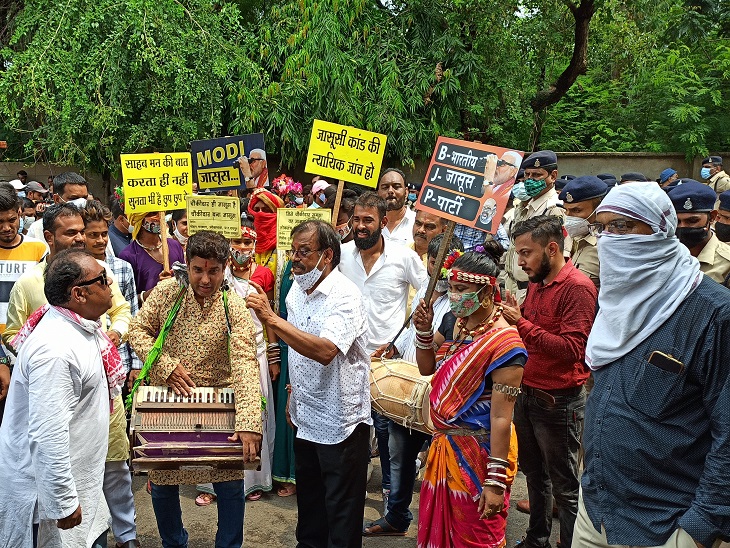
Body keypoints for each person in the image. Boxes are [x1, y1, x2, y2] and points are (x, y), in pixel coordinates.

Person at [575, 181, 730, 548]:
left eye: (624, 227)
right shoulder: (615, 300)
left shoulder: (714, 313)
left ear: (660, 229)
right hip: (595, 510)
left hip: (664, 524)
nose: (610, 239)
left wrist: (698, 529)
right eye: (604, 228)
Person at [128, 230, 262, 548]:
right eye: (198, 269)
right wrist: (165, 366)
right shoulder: (166, 292)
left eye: (213, 270)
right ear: (187, 265)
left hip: (219, 405)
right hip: (168, 403)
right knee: (162, 482)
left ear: (225, 267)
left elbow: (245, 363)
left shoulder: (235, 305)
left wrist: (248, 423)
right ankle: (174, 543)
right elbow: (136, 328)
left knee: (229, 483)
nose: (205, 279)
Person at [246, 219, 372, 548]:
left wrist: (271, 319)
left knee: (341, 517)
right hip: (305, 416)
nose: (295, 259)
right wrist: (293, 394)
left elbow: (326, 350)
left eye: (304, 251)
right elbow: (297, 349)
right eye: (293, 251)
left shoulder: (345, 296)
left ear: (327, 255)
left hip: (341, 423)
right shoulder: (297, 292)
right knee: (311, 508)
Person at [0, 248, 121, 547]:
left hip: (82, 483)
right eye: (102, 279)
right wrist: (63, 501)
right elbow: (47, 433)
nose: (110, 284)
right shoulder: (55, 350)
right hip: (53, 498)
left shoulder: (79, 328)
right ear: (79, 294)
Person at [411, 250, 526, 548]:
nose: (454, 296)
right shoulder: (458, 323)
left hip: (478, 457)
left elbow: (502, 418)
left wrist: (495, 482)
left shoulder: (506, 345)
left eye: (462, 289)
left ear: (487, 291)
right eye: (451, 288)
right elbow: (427, 368)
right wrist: (423, 331)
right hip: (445, 448)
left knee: (476, 538)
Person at [501, 215, 597, 548]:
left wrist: (521, 324)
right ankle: (537, 539)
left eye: (526, 253)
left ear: (552, 248)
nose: (521, 262)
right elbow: (537, 335)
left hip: (559, 402)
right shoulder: (537, 281)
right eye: (518, 253)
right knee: (534, 476)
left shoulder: (579, 288)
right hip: (527, 395)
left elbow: (573, 350)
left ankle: (569, 543)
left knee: (565, 486)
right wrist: (520, 318)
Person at [364, 233, 464, 537]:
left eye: (449, 265)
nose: (442, 272)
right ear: (428, 263)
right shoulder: (422, 296)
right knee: (398, 459)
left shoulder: (459, 304)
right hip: (408, 391)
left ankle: (442, 528)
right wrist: (393, 349)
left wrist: (430, 333)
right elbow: (410, 338)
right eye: (436, 263)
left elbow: (446, 348)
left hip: (441, 398)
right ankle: (397, 516)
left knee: (441, 467)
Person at [339, 192, 426, 509]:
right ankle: (353, 491)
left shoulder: (404, 257)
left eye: (367, 220)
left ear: (383, 222)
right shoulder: (342, 254)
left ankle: (393, 501)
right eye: (357, 220)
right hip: (347, 361)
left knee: (392, 437)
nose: (360, 226)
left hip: (388, 365)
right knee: (353, 432)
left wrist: (402, 337)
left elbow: (427, 291)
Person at [195, 223, 278, 506]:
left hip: (254, 353)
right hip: (218, 356)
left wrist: (273, 354)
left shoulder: (263, 275)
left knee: (255, 417)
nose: (242, 248)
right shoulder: (219, 276)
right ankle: (209, 484)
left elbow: (270, 317)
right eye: (237, 242)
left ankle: (252, 480)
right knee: (214, 418)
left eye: (247, 241)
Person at [0, 183, 47, 425]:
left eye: (11, 219)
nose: (6, 228)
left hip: (27, 350)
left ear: (20, 212)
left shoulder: (38, 249)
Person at [504, 151, 566, 303]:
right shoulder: (525, 206)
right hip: (512, 284)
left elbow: (556, 257)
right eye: (527, 175)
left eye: (537, 175)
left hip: (533, 288)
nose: (530, 180)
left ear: (553, 176)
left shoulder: (553, 209)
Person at [667, 179, 730, 287]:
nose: (682, 227)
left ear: (712, 217)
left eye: (692, 221)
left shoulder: (727, 264)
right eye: (677, 221)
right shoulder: (664, 254)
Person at [119, 210, 185, 305]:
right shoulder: (128, 256)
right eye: (153, 214)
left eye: (161, 213)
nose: (159, 217)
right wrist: (154, 292)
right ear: (139, 220)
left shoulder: (175, 246)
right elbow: (126, 300)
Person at [559, 175, 608, 287]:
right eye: (566, 210)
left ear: (598, 210)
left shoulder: (604, 245)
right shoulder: (572, 238)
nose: (569, 217)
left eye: (576, 210)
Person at [26, 171, 89, 241]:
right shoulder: (37, 229)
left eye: (84, 198)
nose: (81, 202)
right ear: (57, 199)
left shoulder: (94, 225)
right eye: (74, 198)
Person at [247, 188, 285, 281]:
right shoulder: (247, 239)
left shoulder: (285, 239)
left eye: (265, 210)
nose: (260, 214)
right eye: (256, 209)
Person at [378, 168, 416, 246]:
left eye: (396, 187)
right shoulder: (371, 223)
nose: (390, 191)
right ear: (378, 193)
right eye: (385, 187)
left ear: (406, 192)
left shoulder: (417, 223)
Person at [108, 188, 133, 256]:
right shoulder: (109, 240)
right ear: (121, 219)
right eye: (133, 219)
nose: (136, 222)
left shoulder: (133, 235)